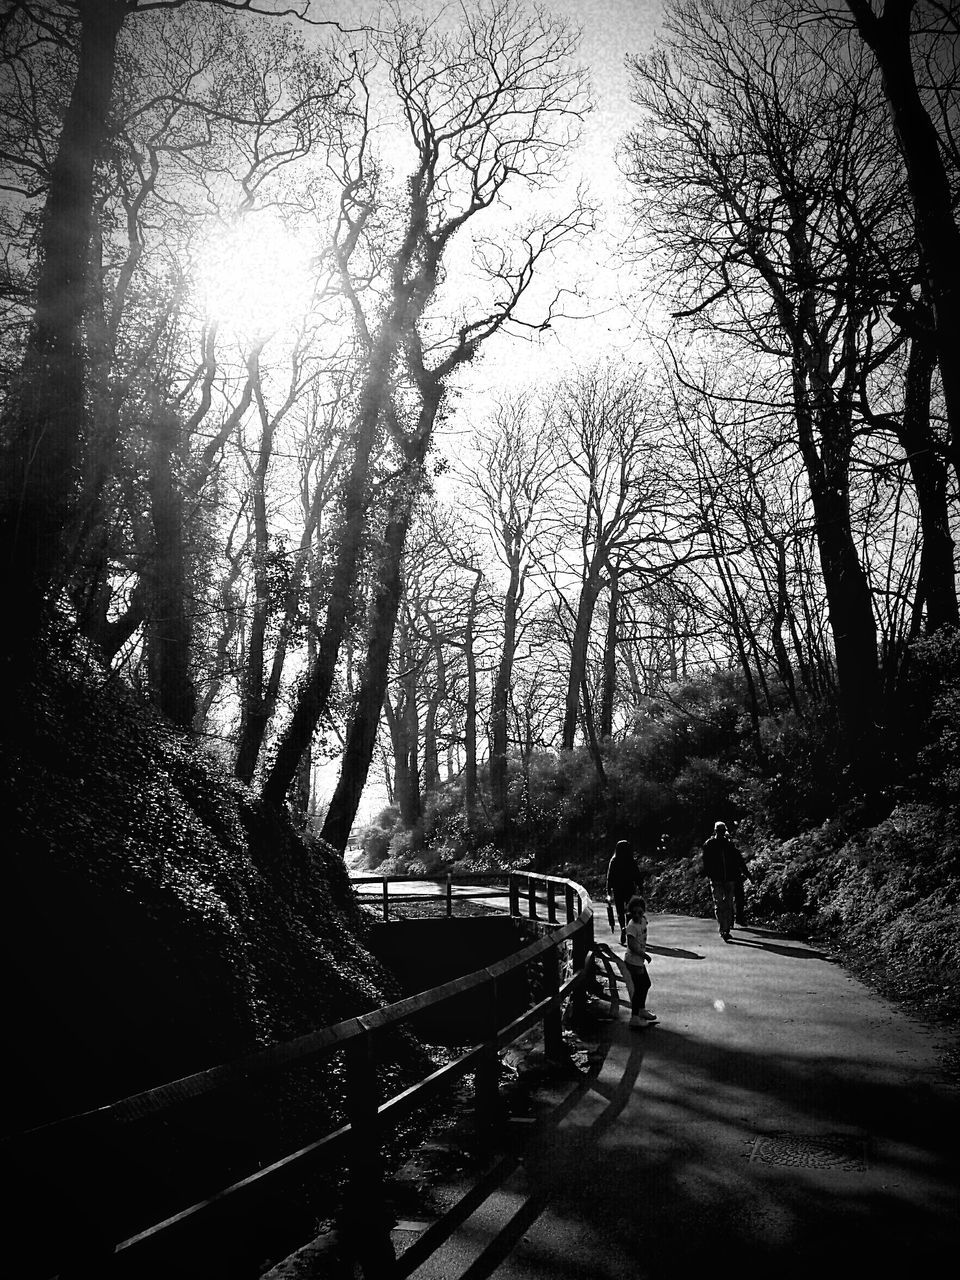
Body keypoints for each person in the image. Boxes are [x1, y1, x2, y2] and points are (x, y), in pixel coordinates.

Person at [701, 820, 751, 942]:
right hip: (717, 879)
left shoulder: (729, 845)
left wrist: (747, 874)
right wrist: (709, 874)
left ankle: (726, 928)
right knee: (719, 904)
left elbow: (739, 861)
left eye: (722, 831)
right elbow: (706, 862)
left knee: (728, 904)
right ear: (715, 831)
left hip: (729, 879)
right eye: (719, 831)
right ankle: (723, 928)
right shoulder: (709, 845)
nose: (721, 833)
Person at [624, 894, 657, 1027]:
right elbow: (631, 945)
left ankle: (641, 1010)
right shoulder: (631, 926)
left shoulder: (643, 920)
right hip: (632, 961)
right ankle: (634, 1017)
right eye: (634, 913)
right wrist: (644, 955)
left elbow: (644, 924)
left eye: (640, 912)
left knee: (645, 984)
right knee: (638, 988)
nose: (637, 915)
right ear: (630, 913)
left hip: (639, 962)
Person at [606, 839, 642, 945]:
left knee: (620, 911)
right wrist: (641, 887)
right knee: (630, 911)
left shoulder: (614, 861)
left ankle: (622, 928)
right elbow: (637, 875)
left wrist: (608, 890)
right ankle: (628, 930)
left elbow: (610, 877)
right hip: (630, 889)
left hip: (618, 890)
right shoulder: (631, 860)